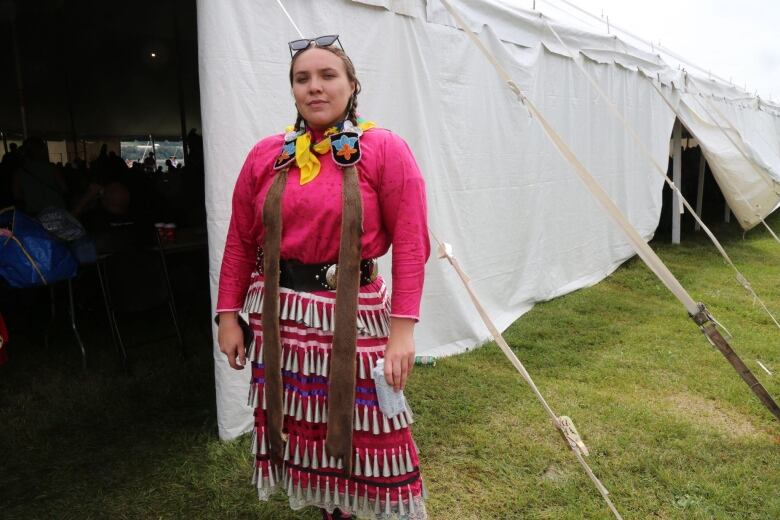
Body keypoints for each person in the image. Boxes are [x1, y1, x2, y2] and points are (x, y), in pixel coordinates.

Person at [217, 35, 430, 519]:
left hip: (356, 322)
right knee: (303, 434)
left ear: (352, 85)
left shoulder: (384, 149)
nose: (315, 87)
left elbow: (414, 243)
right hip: (283, 321)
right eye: (302, 78)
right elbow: (239, 242)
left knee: (369, 434)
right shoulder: (266, 155)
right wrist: (227, 315)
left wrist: (403, 332)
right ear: (292, 90)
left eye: (328, 75)